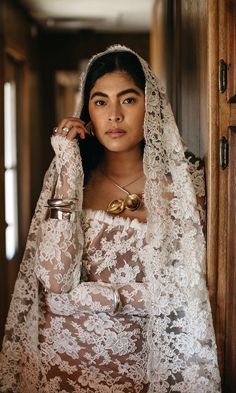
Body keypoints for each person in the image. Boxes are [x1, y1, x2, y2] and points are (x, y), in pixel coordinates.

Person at [0, 45, 221, 393]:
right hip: (61, 367)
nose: (114, 115)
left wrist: (92, 297)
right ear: (87, 111)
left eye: (128, 100)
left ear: (150, 105)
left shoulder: (180, 187)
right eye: (100, 102)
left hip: (141, 373)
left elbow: (185, 293)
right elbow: (55, 282)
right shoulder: (74, 180)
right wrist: (69, 168)